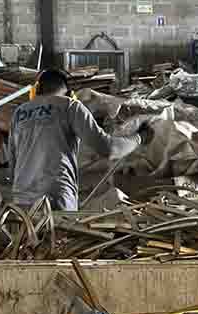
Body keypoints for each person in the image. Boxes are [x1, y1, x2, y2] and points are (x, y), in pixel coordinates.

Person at [8, 69, 139, 209]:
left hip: (22, 201)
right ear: (70, 94)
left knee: (27, 231)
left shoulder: (19, 112)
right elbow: (108, 148)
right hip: (56, 198)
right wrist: (138, 138)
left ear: (36, 90)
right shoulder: (70, 106)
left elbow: (12, 164)